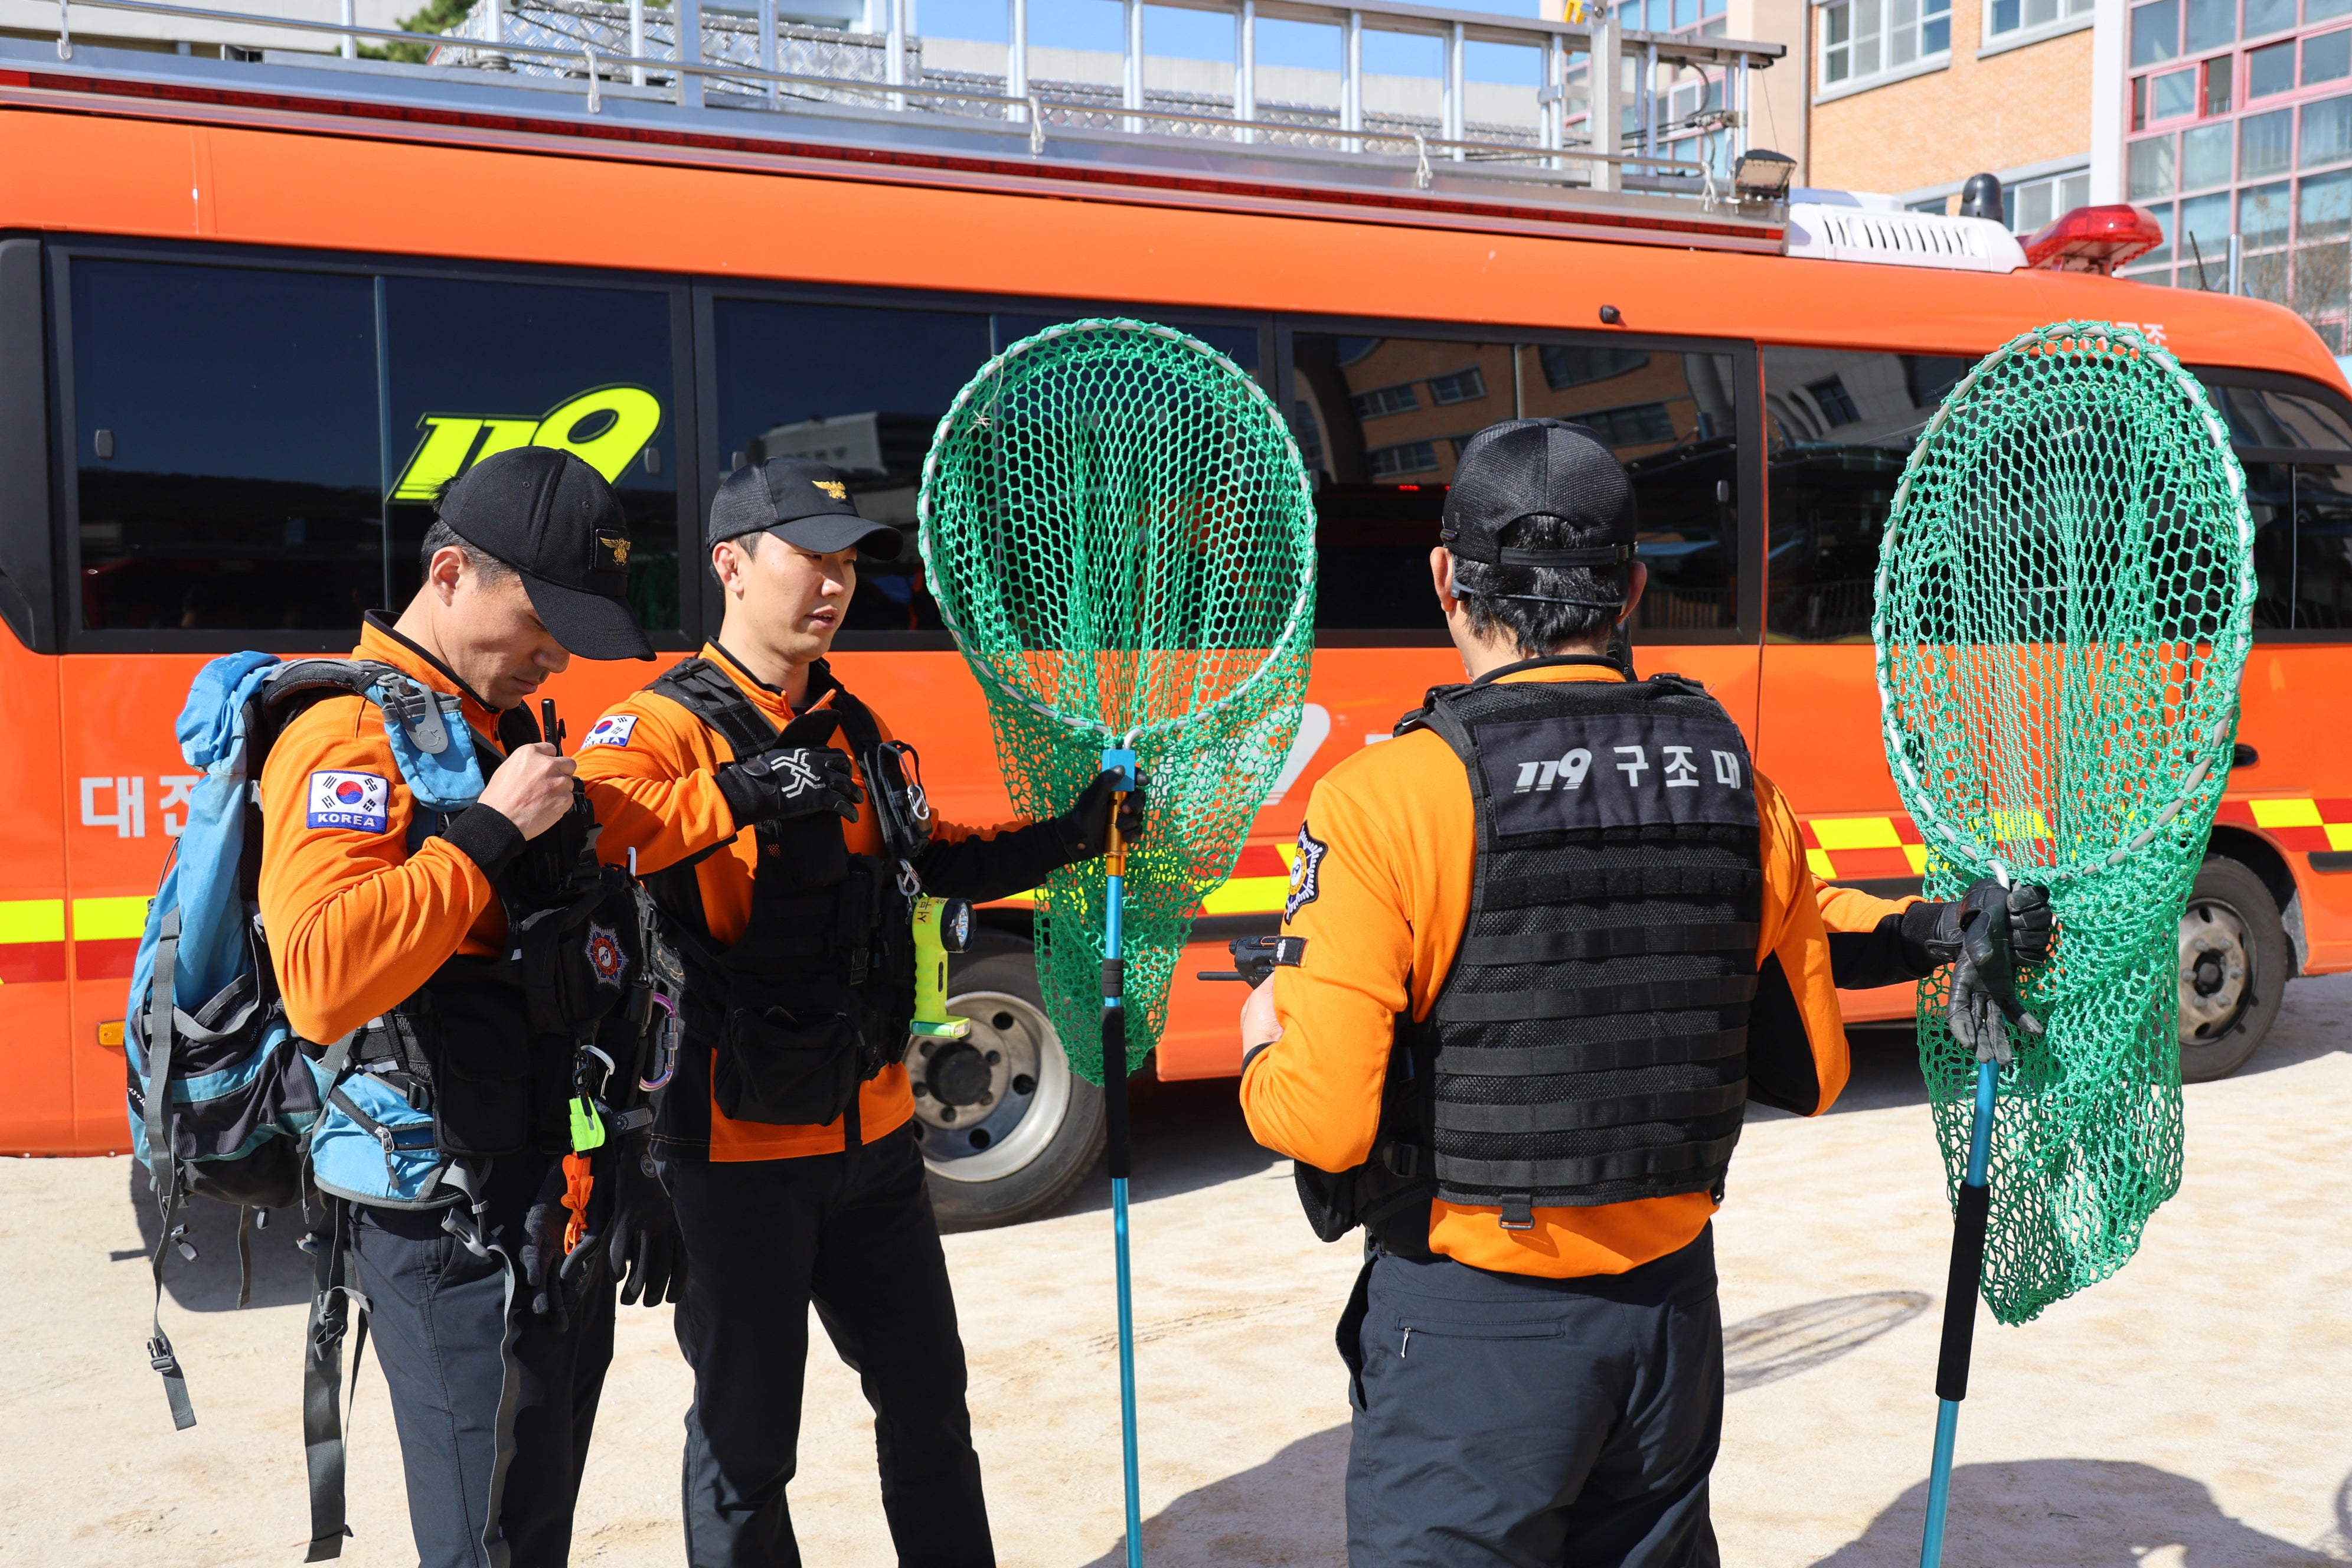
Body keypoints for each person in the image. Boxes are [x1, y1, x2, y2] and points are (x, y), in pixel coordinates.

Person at [1235, 418, 2044, 1568]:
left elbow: (1322, 1114)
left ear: (1444, 579)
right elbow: (1811, 944)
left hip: (1477, 1332)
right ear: (1633, 587)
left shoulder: (1386, 795)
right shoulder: (1729, 778)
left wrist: (1260, 1030)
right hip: (1669, 1322)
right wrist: (1934, 929)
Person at [573, 457, 1142, 1568]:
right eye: (810, 559)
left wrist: (1065, 838)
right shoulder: (656, 726)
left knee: (932, 1410)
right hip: (733, 1154)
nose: (834, 585)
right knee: (747, 1452)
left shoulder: (849, 720)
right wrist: (745, 788)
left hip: (878, 1140)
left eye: (847, 564)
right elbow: (593, 832)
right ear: (732, 565)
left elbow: (919, 867)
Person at [258, 446, 691, 1568]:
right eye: (538, 619)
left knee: (532, 1523)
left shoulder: (488, 732)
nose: (555, 653)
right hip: (447, 1223)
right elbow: (319, 974)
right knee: (484, 1542)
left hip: (545, 1194)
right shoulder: (347, 741)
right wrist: (491, 837)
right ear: (448, 575)